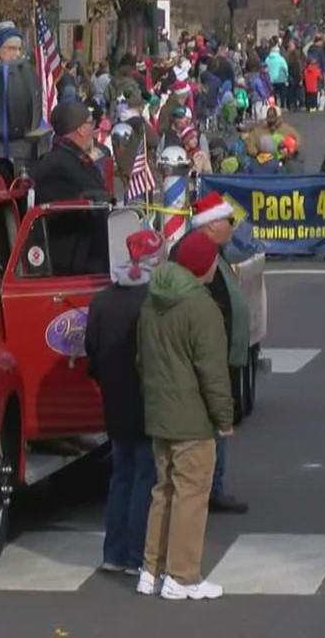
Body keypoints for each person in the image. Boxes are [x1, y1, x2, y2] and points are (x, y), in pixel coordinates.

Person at [136, 229, 233, 601]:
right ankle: (183, 576)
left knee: (164, 492)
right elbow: (214, 372)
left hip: (160, 413)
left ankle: (152, 569)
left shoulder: (152, 301)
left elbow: (142, 361)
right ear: (205, 267)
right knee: (192, 496)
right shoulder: (202, 307)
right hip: (193, 418)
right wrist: (224, 419)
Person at [87, 229, 166, 577]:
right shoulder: (155, 301)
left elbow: (91, 349)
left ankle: (113, 552)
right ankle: (136, 554)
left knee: (121, 476)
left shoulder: (102, 301)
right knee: (144, 478)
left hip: (114, 399)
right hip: (147, 400)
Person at [171, 192, 250, 514]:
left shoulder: (216, 252)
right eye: (229, 221)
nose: (233, 226)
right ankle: (209, 487)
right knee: (216, 422)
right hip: (208, 356)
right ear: (212, 224)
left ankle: (212, 484)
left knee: (219, 420)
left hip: (222, 353)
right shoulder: (195, 255)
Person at [30, 101, 109, 204]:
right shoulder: (57, 167)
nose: (94, 129)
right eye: (91, 123)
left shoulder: (75, 159)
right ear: (80, 129)